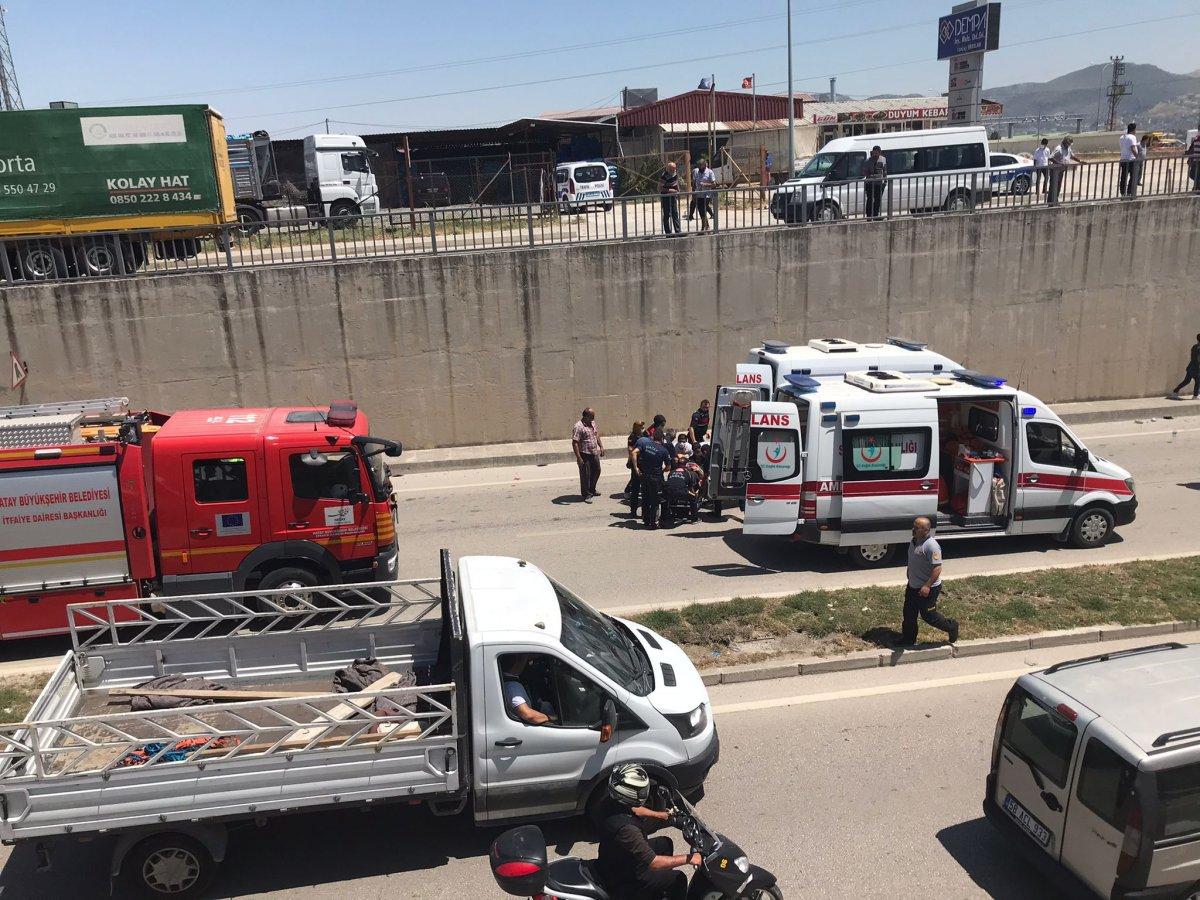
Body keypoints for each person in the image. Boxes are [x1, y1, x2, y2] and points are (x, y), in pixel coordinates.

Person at [595, 764, 700, 900]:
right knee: (677, 879)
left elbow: (633, 808)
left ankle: (655, 891)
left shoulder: (611, 800)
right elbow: (654, 862)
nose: (645, 792)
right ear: (630, 795)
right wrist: (690, 858)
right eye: (642, 791)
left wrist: (659, 815)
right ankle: (652, 888)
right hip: (625, 877)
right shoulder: (627, 830)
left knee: (665, 843)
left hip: (616, 857)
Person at [900, 517, 958, 646]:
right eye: (913, 526)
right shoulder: (914, 541)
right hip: (913, 586)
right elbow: (913, 559)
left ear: (926, 530)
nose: (913, 529)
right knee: (909, 614)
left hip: (927, 588)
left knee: (929, 616)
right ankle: (908, 640)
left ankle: (951, 626)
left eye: (916, 527)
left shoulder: (931, 546)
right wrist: (909, 572)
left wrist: (927, 586)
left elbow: (937, 568)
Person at [632, 428, 673, 529]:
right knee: (655, 501)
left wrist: (636, 467)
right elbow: (668, 467)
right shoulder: (663, 450)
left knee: (645, 498)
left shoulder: (645, 445)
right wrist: (663, 470)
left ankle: (646, 520)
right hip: (656, 478)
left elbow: (633, 452)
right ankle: (654, 523)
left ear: (653, 437)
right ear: (662, 439)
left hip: (644, 476)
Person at [501, 655, 556, 725]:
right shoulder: (512, 687)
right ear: (518, 661)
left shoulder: (509, 681)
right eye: (525, 660)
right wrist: (550, 717)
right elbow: (528, 715)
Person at [572, 407, 604, 503]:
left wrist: (601, 446)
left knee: (597, 470)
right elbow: (575, 443)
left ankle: (592, 489)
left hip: (594, 452)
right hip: (584, 454)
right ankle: (586, 494)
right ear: (586, 416)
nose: (594, 417)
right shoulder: (578, 426)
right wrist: (578, 457)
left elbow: (596, 434)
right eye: (592, 416)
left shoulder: (592, 423)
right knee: (585, 475)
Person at [1047, 136, 1082, 206]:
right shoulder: (1058, 148)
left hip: (1061, 170)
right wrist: (1060, 163)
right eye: (1068, 144)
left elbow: (1072, 156)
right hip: (1055, 170)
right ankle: (1051, 202)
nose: (1069, 145)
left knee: (1058, 186)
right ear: (1065, 142)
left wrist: (1080, 161)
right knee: (1053, 186)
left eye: (1070, 144)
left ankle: (1055, 201)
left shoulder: (1068, 148)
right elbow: (1050, 158)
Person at [625, 419, 646, 515]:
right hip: (636, 464)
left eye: (642, 426)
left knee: (645, 488)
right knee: (635, 488)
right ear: (636, 427)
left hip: (644, 463)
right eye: (640, 426)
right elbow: (630, 450)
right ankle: (633, 510)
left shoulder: (643, 435)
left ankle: (645, 512)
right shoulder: (632, 437)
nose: (642, 428)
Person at [1171, 333, 1200, 400]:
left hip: (1191, 368)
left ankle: (1175, 391)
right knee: (1197, 382)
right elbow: (1197, 359)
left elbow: (1194, 358)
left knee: (1187, 381)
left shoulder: (1194, 347)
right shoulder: (1197, 348)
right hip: (1196, 369)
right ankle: (1195, 396)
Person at [862, 145, 886, 218]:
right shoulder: (868, 161)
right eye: (874, 153)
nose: (875, 155)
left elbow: (885, 170)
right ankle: (869, 216)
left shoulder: (883, 159)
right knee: (870, 199)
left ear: (880, 152)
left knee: (878, 200)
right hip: (870, 183)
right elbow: (863, 172)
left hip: (879, 183)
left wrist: (885, 182)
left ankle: (876, 215)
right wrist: (870, 176)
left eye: (877, 153)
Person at [659, 161, 681, 235]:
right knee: (666, 214)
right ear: (668, 169)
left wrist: (678, 190)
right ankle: (668, 233)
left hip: (673, 196)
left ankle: (678, 231)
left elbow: (676, 182)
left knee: (675, 214)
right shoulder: (664, 176)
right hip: (666, 197)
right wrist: (669, 191)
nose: (673, 171)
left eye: (674, 169)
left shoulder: (675, 173)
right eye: (671, 170)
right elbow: (659, 188)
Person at [1118, 123, 1138, 198]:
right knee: (1133, 177)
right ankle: (1130, 193)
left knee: (1123, 177)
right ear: (1133, 130)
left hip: (1123, 159)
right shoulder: (1132, 137)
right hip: (1131, 159)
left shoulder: (1122, 137)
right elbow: (1133, 148)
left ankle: (1123, 193)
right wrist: (1138, 157)